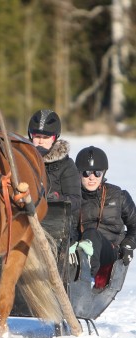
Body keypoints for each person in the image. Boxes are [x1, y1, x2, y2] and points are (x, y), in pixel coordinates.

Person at [74, 145, 136, 285]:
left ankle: (87, 280)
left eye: (97, 173)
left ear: (103, 174)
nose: (92, 178)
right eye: (86, 173)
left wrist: (129, 245)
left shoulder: (118, 196)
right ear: (79, 173)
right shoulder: (73, 198)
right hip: (79, 250)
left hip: (110, 252)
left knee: (92, 234)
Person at [28, 109, 81, 244]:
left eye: (45, 138)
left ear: (55, 138)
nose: (40, 141)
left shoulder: (66, 165)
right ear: (30, 136)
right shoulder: (22, 160)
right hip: (26, 219)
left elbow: (76, 200)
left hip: (56, 225)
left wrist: (57, 198)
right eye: (37, 136)